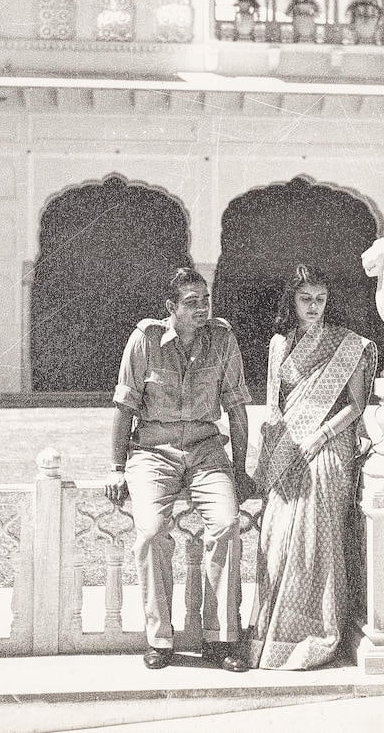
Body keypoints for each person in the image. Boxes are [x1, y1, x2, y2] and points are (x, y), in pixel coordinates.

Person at [104, 267, 256, 672]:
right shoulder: (145, 340)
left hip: (206, 449)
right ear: (170, 308)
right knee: (152, 532)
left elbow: (237, 409)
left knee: (226, 525)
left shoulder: (222, 339)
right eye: (191, 302)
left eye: (205, 300)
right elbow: (124, 406)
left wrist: (239, 469)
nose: (201, 308)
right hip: (153, 450)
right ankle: (160, 639)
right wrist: (118, 467)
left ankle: (220, 638)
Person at [249, 264, 377, 670]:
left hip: (328, 443)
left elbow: (355, 406)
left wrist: (318, 438)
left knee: (311, 531)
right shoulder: (278, 344)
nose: (314, 307)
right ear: (292, 300)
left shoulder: (347, 345)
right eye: (306, 299)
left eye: (320, 299)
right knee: (276, 534)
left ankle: (315, 634)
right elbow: (274, 407)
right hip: (289, 445)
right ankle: (273, 637)